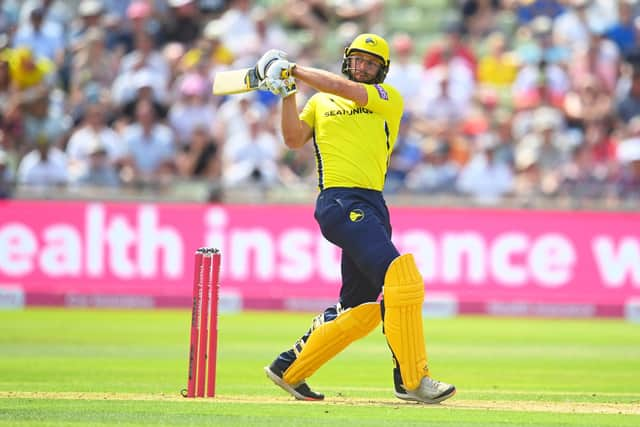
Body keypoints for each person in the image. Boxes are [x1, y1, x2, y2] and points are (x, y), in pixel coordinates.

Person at [255, 34, 456, 404]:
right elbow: (293, 139)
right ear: (347, 60)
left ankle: (289, 369)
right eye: (357, 60)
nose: (362, 66)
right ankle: (413, 380)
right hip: (338, 200)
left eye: (371, 62)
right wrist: (287, 91)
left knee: (360, 308)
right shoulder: (319, 101)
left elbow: (350, 91)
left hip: (373, 205)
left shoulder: (387, 98)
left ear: (382, 70)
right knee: (402, 279)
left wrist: (295, 70)